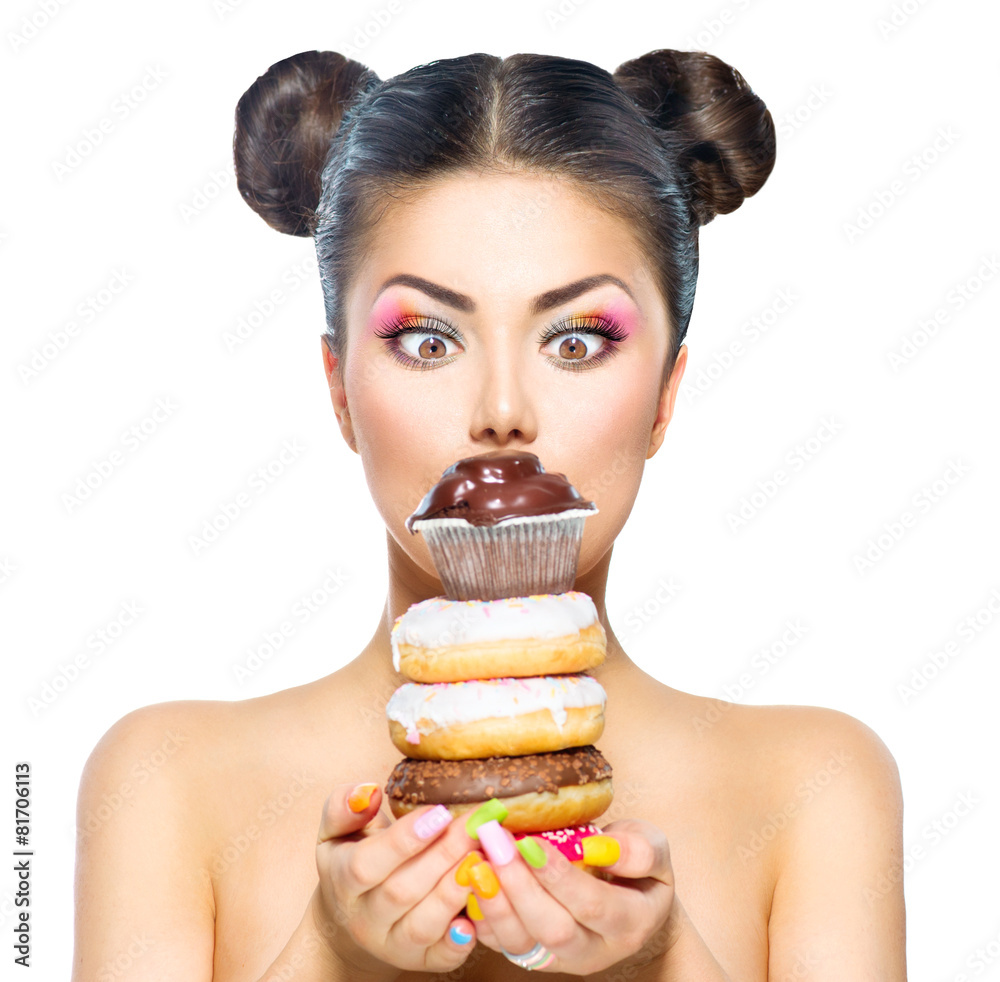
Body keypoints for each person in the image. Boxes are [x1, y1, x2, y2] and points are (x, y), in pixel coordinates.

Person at [72, 49, 906, 981]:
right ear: (340, 393)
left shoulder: (816, 787)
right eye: (427, 339)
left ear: (666, 396)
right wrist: (332, 948)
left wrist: (662, 959)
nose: (503, 410)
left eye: (577, 339)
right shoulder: (166, 784)